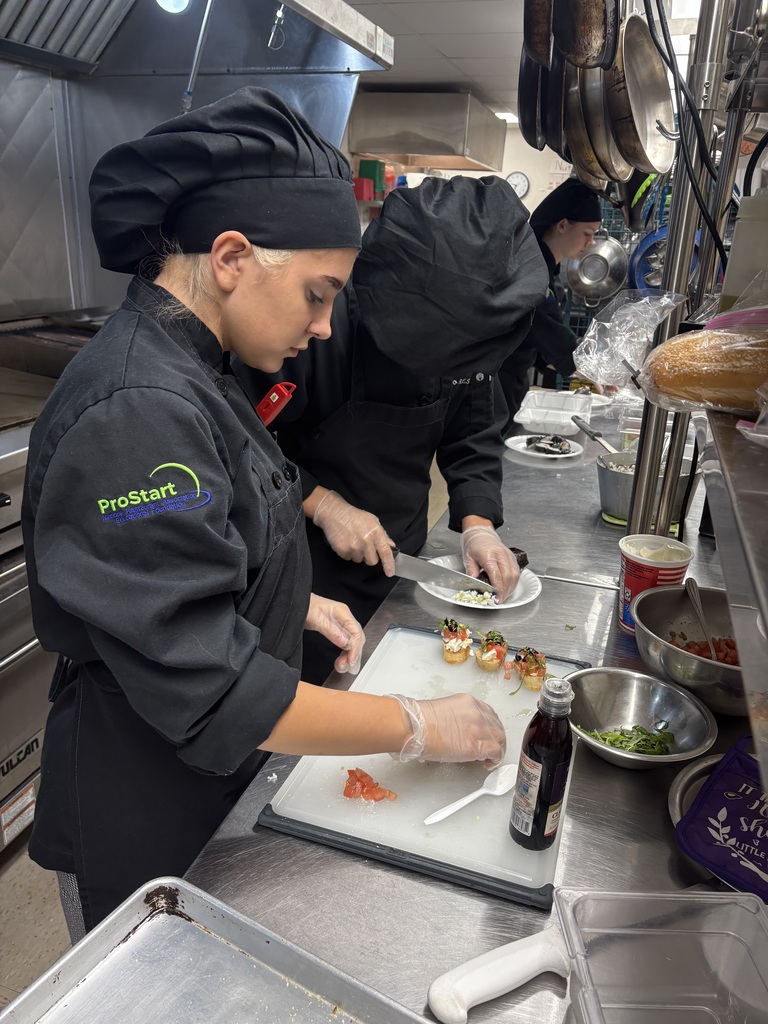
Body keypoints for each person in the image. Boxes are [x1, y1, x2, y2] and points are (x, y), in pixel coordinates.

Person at [21, 88, 508, 937]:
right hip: (138, 804)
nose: (325, 327)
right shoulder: (138, 407)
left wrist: (285, 601)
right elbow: (217, 692)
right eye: (318, 295)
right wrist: (416, 725)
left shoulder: (196, 364)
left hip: (195, 781)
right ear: (233, 256)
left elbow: (207, 546)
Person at [236, 175, 549, 683]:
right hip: (300, 570)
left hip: (401, 560)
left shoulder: (467, 338)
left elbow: (472, 432)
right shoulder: (313, 326)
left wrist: (478, 526)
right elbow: (238, 442)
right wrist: (323, 504)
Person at [498, 177, 602, 436]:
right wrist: (585, 367)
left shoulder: (546, 267)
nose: (590, 244)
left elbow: (542, 339)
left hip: (511, 383)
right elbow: (543, 322)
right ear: (563, 225)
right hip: (495, 385)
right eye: (587, 234)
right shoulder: (529, 267)